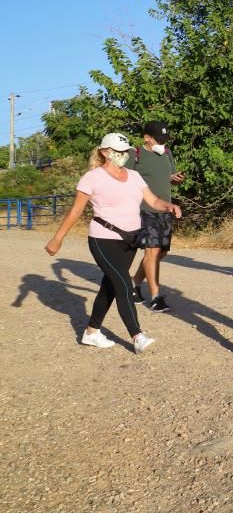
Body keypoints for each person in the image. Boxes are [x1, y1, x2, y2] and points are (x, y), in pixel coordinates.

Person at [44, 132, 182, 353]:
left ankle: (91, 332)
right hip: (103, 238)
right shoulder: (92, 177)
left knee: (110, 286)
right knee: (124, 284)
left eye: (125, 152)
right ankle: (137, 336)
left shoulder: (134, 176)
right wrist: (57, 238)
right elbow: (76, 210)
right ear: (104, 152)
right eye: (118, 152)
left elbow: (153, 200)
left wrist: (168, 206)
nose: (123, 156)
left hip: (130, 240)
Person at [128, 120, 184, 312]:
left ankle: (134, 284)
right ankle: (155, 297)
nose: (163, 143)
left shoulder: (167, 154)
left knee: (161, 252)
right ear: (147, 138)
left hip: (165, 209)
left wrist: (175, 180)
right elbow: (123, 179)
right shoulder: (134, 155)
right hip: (145, 209)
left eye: (165, 140)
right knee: (151, 252)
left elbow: (170, 177)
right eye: (159, 140)